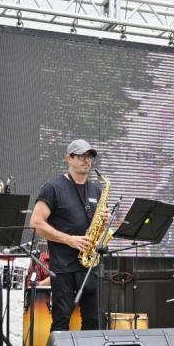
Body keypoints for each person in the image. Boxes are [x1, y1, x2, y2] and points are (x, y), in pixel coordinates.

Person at [31, 139, 108, 333]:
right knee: (61, 320)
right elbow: (36, 223)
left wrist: (104, 224)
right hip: (64, 266)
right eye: (81, 156)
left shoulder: (96, 189)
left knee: (94, 320)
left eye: (89, 156)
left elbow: (96, 227)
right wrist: (70, 239)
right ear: (68, 158)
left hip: (89, 265)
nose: (86, 160)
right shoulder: (53, 187)